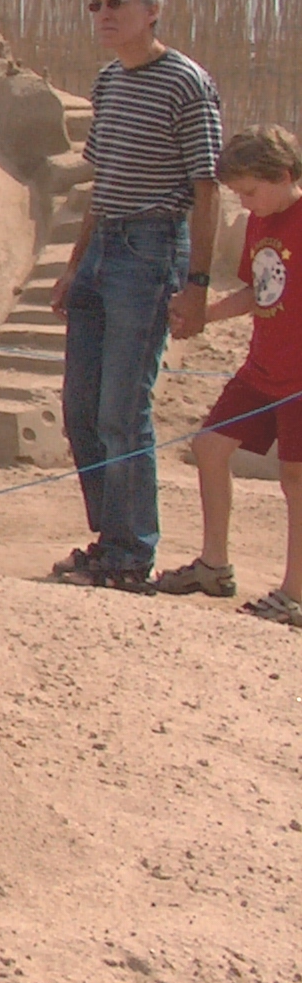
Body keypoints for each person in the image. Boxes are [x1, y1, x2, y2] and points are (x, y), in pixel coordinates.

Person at [50, 0, 222, 591]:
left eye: (116, 3)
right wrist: (75, 265)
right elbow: (102, 183)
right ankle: (111, 539)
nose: (104, 15)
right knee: (80, 407)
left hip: (151, 248)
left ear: (151, 10)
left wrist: (197, 284)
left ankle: (130, 554)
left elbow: (207, 188)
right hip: (104, 249)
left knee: (122, 410)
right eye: (95, 5)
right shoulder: (110, 81)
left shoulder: (186, 83)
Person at [154, 126, 302, 623]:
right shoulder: (261, 223)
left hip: (300, 378)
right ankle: (214, 566)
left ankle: (295, 593)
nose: (244, 202)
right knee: (210, 447)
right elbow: (259, 293)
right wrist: (205, 315)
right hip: (262, 368)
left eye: (250, 191)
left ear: (284, 175)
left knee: (296, 479)